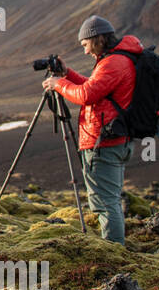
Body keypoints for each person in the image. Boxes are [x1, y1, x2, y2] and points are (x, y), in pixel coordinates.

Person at [41, 15, 143, 244]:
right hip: (114, 140)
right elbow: (96, 87)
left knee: (106, 205)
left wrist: (58, 84)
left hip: (104, 144)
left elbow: (87, 95)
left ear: (97, 39)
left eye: (85, 45)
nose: (85, 51)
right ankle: (114, 248)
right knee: (109, 201)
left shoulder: (113, 62)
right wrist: (68, 74)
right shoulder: (119, 59)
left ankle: (114, 254)